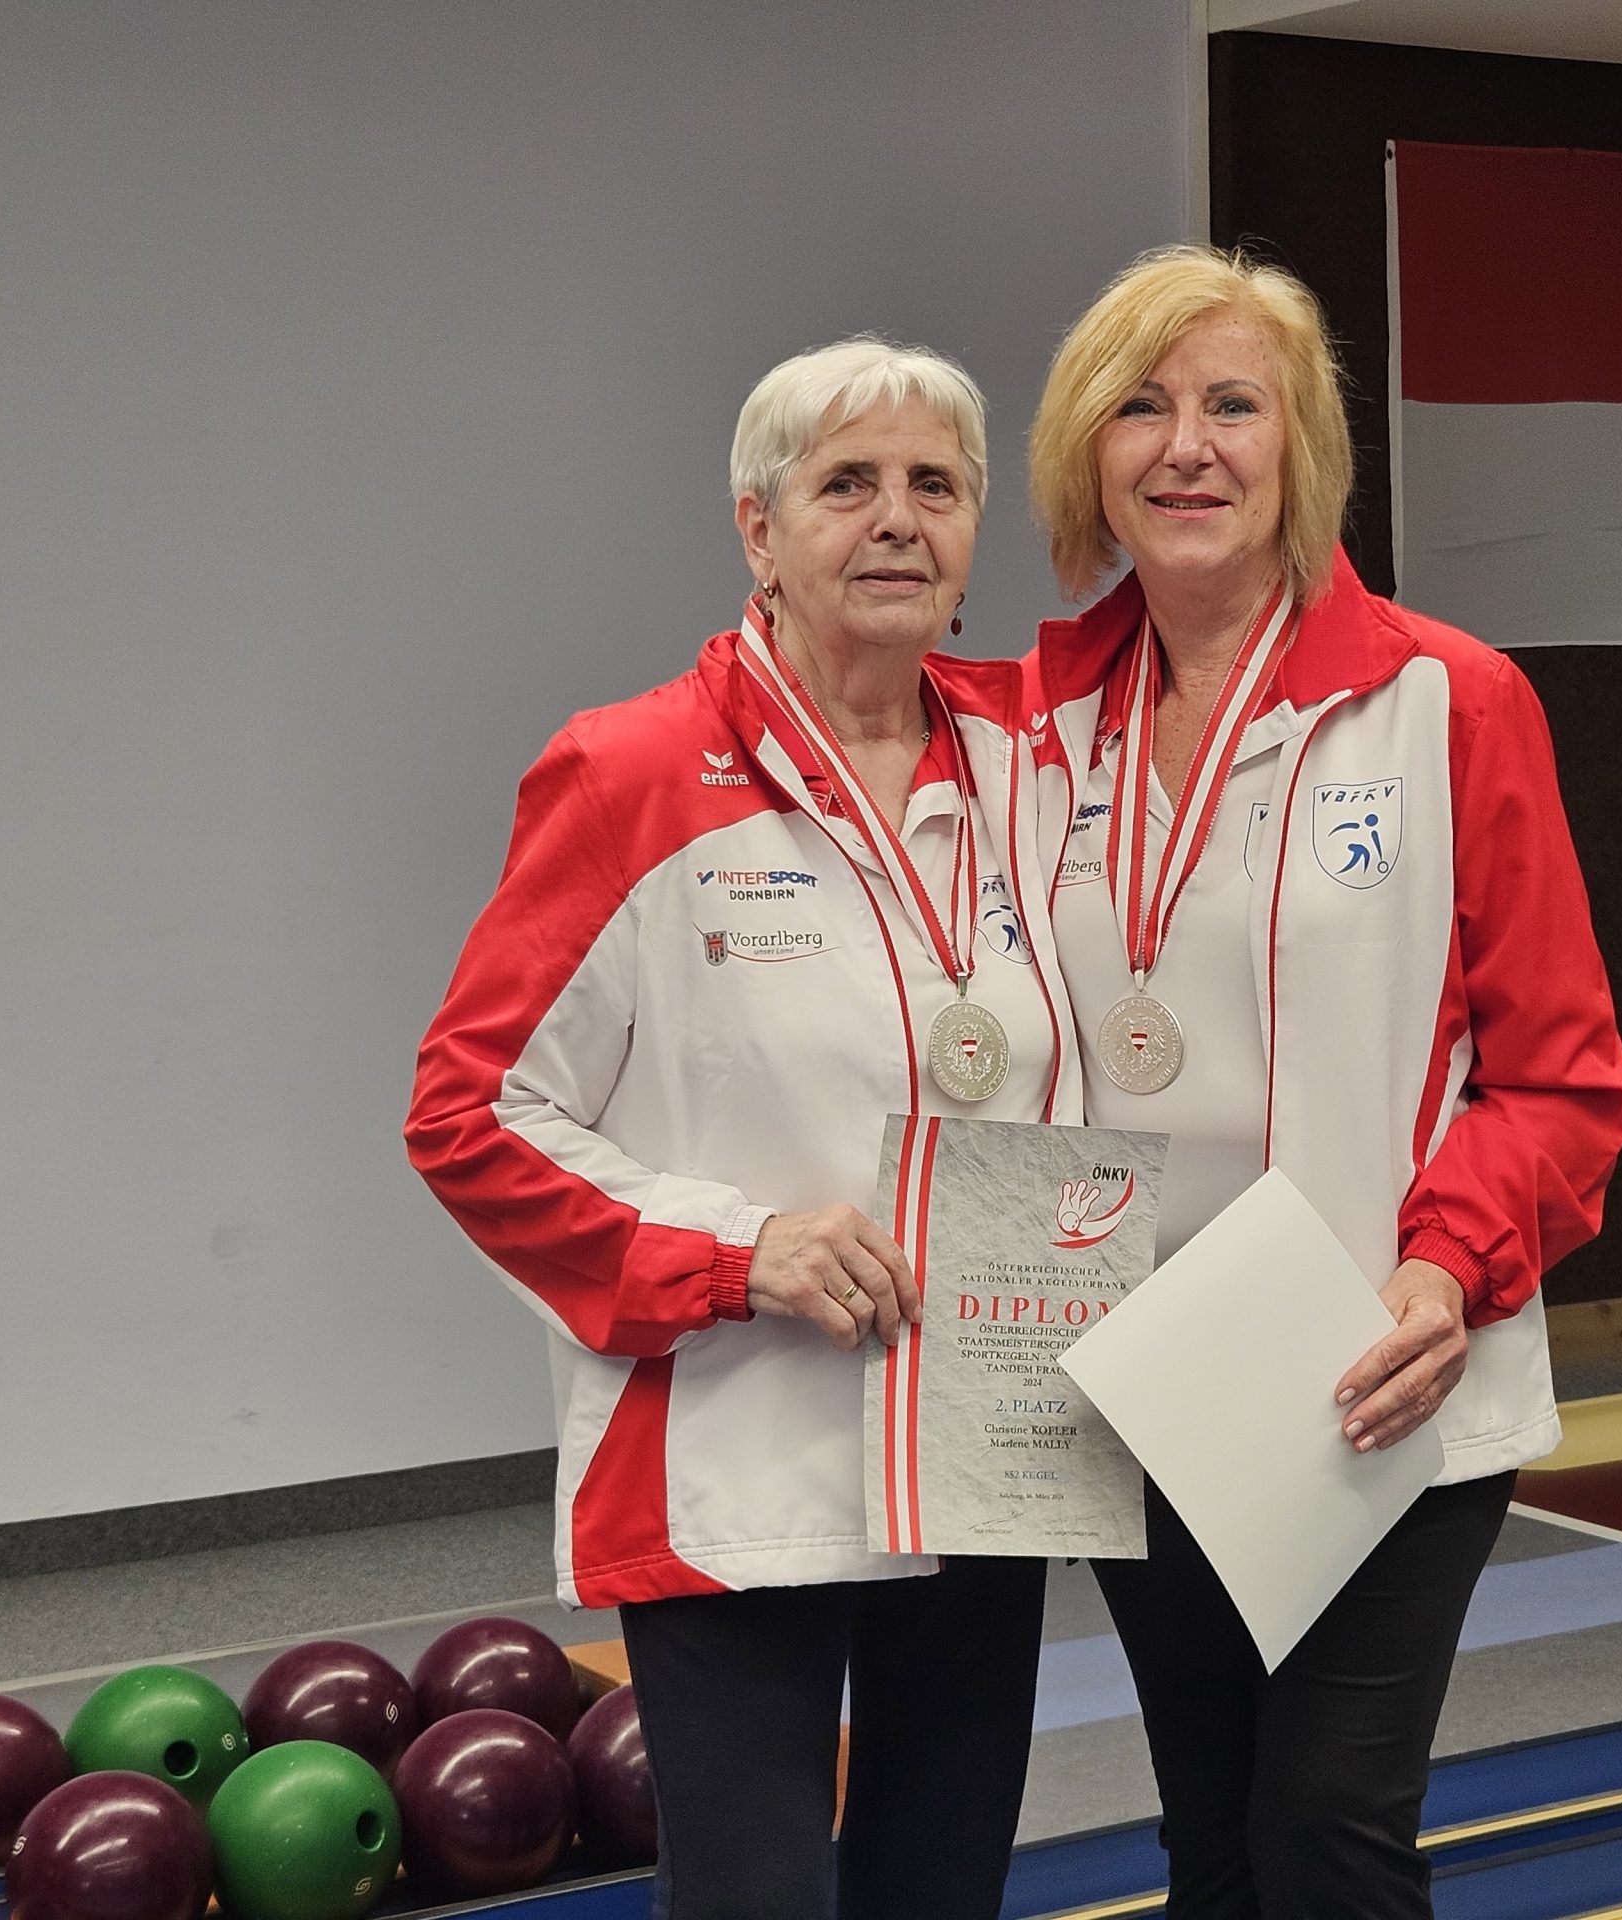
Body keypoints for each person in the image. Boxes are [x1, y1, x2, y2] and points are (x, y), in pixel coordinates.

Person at [405, 338, 1078, 1920]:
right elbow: (471, 1114)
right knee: (755, 1901)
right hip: (733, 1455)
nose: (896, 520)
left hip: (983, 1438)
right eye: (846, 484)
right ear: (758, 532)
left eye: (935, 485)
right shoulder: (632, 772)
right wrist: (734, 1250)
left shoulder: (1035, 765)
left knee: (942, 1889)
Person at [1025, 246, 1622, 1918]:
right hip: (1147, 1380)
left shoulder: (1451, 701)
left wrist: (1444, 1272)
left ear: (1303, 453)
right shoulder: (1029, 723)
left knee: (1328, 1833)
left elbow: (1565, 1081)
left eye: (1236, 405)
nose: (1187, 446)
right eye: (1140, 406)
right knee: (1212, 1843)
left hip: (1386, 1378)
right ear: (1089, 453)